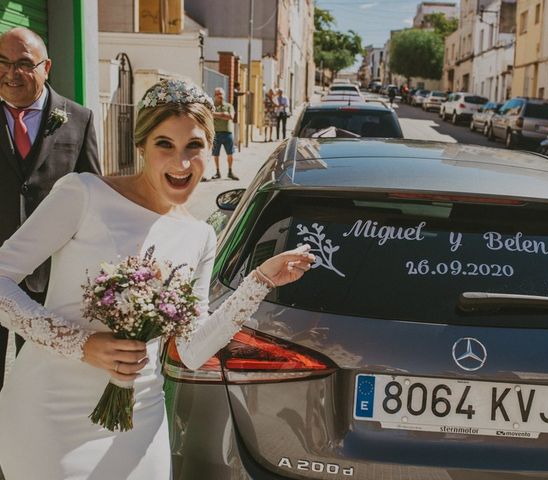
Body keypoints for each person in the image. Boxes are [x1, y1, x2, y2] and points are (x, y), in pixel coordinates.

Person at [0, 78, 315, 479]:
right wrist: (82, 345)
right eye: (165, 144)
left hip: (138, 418)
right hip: (49, 411)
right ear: (142, 147)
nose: (181, 164)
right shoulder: (83, 194)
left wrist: (260, 281)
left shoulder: (201, 236)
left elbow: (193, 348)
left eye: (194, 146)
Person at [0, 27, 101, 391]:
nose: (11, 73)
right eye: (3, 62)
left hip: (52, 277)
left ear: (47, 67)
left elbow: (93, 199)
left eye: (24, 64)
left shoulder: (79, 119)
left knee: (44, 381)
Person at [207, 87, 238, 181]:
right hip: (216, 134)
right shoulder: (212, 106)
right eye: (217, 94)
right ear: (214, 95)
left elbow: (231, 116)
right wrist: (223, 114)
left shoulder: (229, 106)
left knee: (230, 153)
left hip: (227, 133)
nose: (219, 96)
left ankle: (230, 171)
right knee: (216, 154)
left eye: (221, 94)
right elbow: (209, 115)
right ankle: (217, 172)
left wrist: (216, 115)